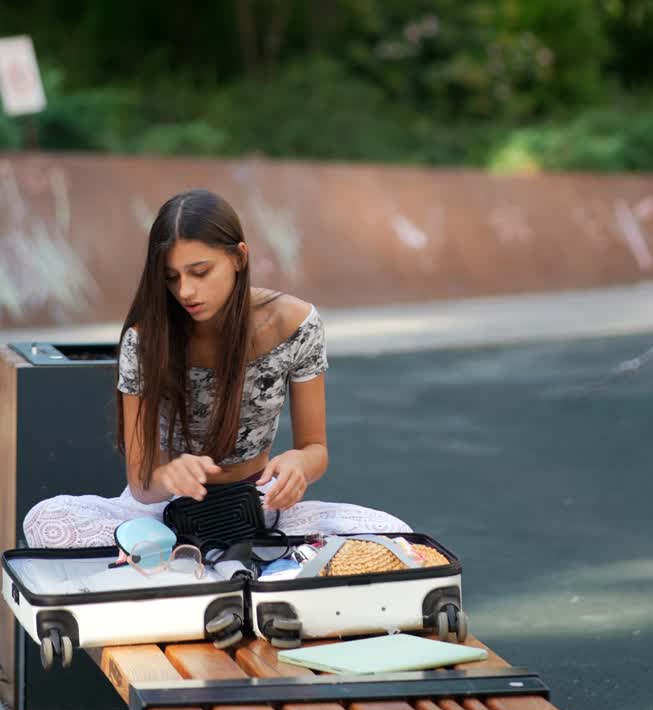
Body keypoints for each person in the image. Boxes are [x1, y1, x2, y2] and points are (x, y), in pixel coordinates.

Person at [23, 189, 410, 548]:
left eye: (200, 271)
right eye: (171, 277)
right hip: (165, 512)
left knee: (394, 535)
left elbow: (316, 449)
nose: (185, 291)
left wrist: (298, 466)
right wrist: (168, 476)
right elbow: (143, 484)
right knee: (45, 520)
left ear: (239, 257)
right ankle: (204, 562)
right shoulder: (146, 340)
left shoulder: (295, 323)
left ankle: (187, 567)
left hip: (259, 506)